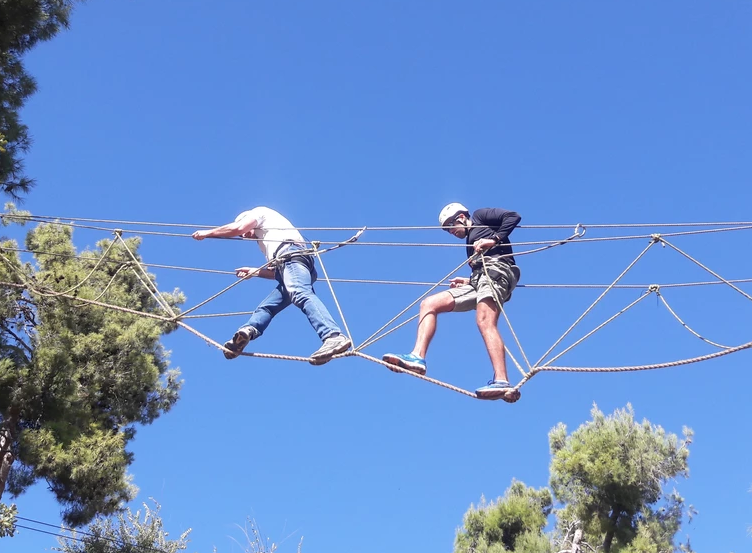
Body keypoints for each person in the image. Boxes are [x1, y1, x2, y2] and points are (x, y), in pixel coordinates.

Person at [382, 203, 522, 401]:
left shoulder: (480, 217)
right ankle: (417, 357)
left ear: (462, 217)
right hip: (479, 279)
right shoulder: (470, 243)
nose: (451, 232)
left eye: (450, 226)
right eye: (446, 230)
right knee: (429, 304)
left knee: (484, 321)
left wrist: (494, 239)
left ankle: (502, 380)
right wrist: (469, 280)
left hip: (497, 272)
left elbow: (513, 216)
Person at [192, 207, 352, 365]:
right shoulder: (267, 238)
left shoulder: (259, 213)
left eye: (243, 231)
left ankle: (332, 335)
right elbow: (277, 273)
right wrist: (254, 272)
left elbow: (238, 228)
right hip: (292, 263)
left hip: (291, 256)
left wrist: (207, 233)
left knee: (301, 293)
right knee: (267, 308)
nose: (243, 235)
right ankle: (247, 331)